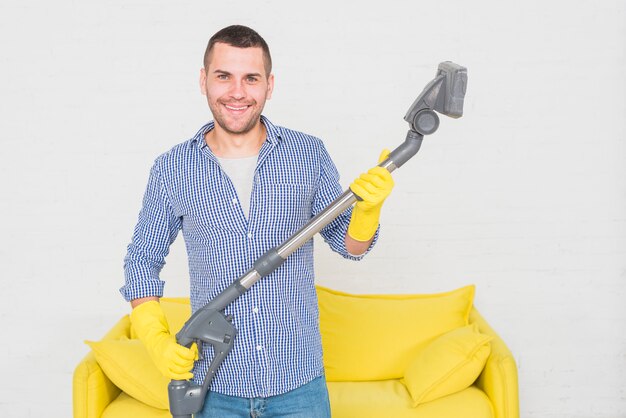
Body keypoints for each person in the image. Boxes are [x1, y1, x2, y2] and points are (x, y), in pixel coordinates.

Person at [120, 25, 394, 418]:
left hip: (299, 386)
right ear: (203, 80)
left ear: (269, 84)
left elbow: (349, 247)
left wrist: (368, 212)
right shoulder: (172, 169)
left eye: (251, 78)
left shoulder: (307, 154)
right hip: (215, 388)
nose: (237, 91)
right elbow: (141, 260)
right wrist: (156, 339)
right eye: (223, 76)